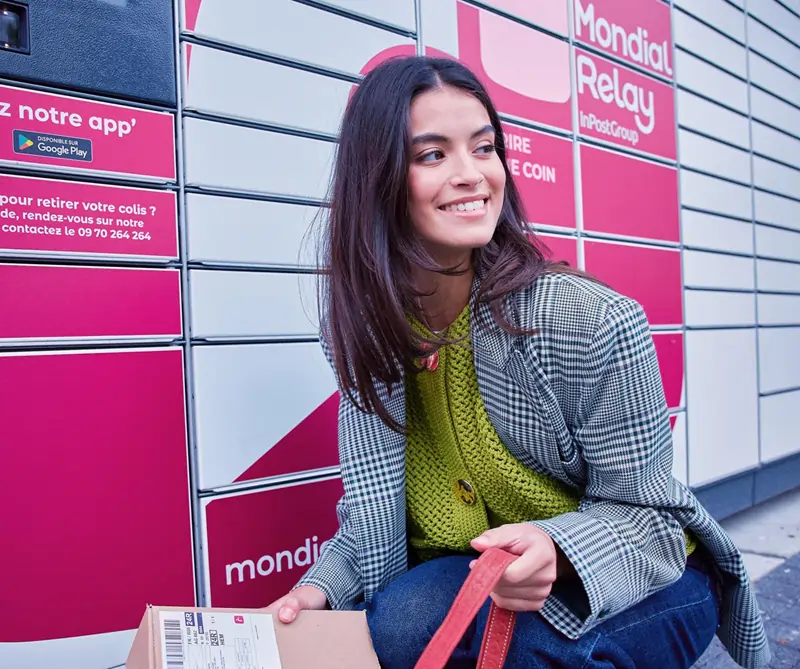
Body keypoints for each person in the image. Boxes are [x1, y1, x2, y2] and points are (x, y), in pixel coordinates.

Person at [265, 55, 770, 669]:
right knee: (392, 625)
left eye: (484, 148)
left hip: (647, 578)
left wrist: (557, 548)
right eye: (432, 155)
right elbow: (372, 514)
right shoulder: (368, 332)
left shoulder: (589, 320)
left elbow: (650, 521)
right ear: (377, 179)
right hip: (485, 573)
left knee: (524, 651)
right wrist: (318, 592)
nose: (472, 175)